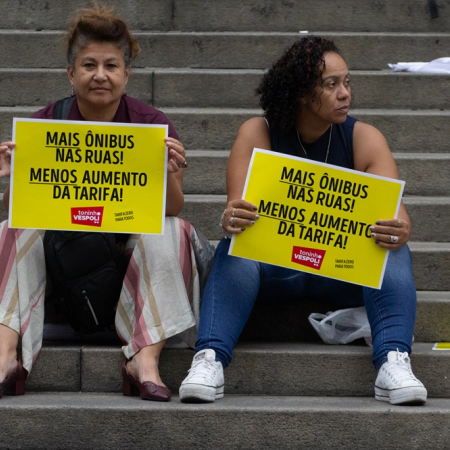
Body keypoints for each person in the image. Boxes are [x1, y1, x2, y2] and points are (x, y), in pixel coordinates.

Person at [0, 5, 209, 402]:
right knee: (8, 228)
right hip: (66, 257)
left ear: (127, 75)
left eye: (112, 66)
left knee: (174, 229)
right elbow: (19, 210)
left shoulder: (153, 126)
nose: (100, 75)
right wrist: (17, 174)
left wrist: (167, 173)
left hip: (121, 253)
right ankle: (3, 360)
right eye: (89, 65)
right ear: (71, 73)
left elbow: (171, 208)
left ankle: (144, 360)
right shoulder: (46, 123)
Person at [179, 36, 427, 406]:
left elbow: (396, 216)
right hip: (278, 268)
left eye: (347, 82)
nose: (345, 93)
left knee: (393, 251)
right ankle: (210, 358)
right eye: (331, 85)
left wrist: (399, 229)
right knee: (236, 246)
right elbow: (236, 208)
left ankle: (393, 360)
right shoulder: (257, 132)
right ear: (300, 92)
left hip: (341, 269)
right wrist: (232, 217)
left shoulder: (364, 138)